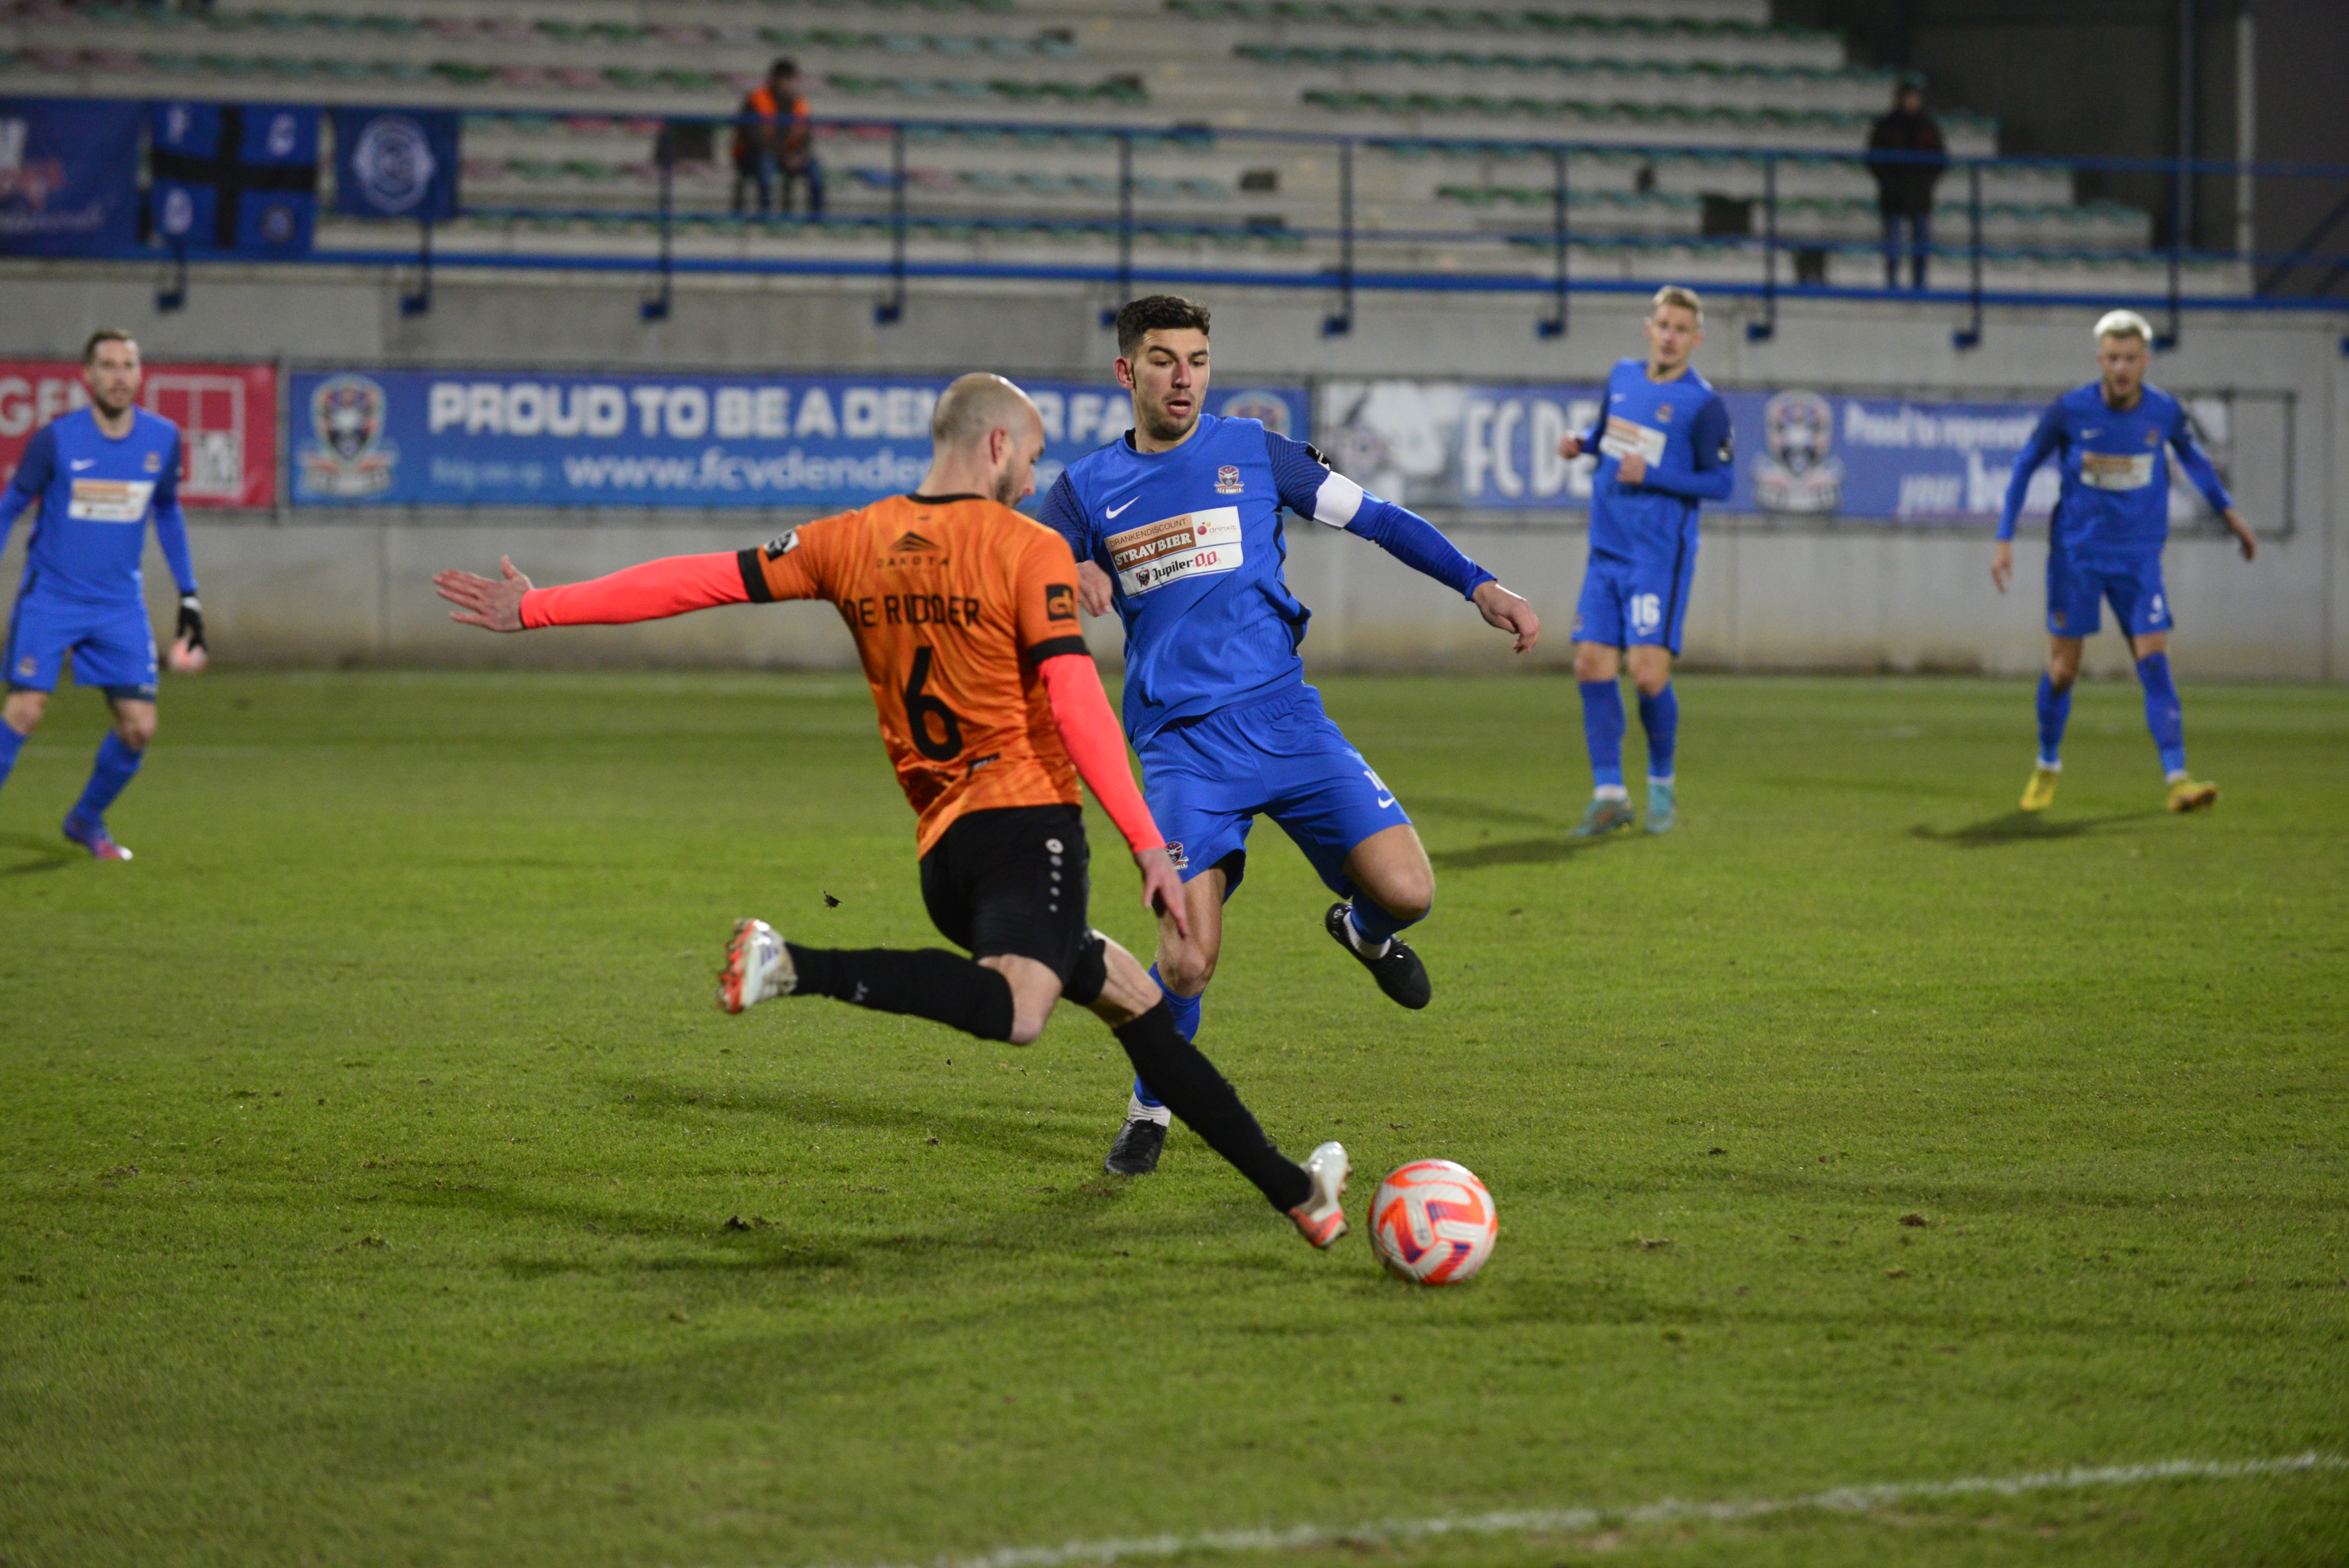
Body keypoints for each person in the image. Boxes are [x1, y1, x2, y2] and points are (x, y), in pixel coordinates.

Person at [431, 373, 1352, 1249]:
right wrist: (1148, 842)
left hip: (945, 855)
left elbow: (699, 579)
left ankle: (1297, 1194)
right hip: (1028, 824)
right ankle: (790, 963)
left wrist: (541, 606)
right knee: (1020, 1009)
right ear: (995, 445)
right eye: (1029, 459)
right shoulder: (1024, 548)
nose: (1035, 481)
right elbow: (1075, 700)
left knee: (1138, 1003)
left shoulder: (849, 539)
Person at [1042, 295, 1540, 1177]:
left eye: (1195, 358)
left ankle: (1364, 931)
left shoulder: (1254, 451)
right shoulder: (1083, 491)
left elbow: (1379, 517)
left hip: (1287, 720)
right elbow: (1007, 552)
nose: (1182, 376)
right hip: (1182, 747)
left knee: (1410, 891)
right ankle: (1153, 1102)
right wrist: (1061, 558)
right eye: (1162, 359)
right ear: (1127, 372)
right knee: (1187, 959)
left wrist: (1479, 584)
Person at [1992, 310, 2255, 814]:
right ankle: (2048, 764)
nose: (2122, 368)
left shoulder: (2163, 412)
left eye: (2131, 358)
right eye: (2113, 358)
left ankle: (2178, 779)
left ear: (2145, 361)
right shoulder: (2071, 411)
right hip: (2077, 557)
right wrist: (2005, 538)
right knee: (2064, 671)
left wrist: (2231, 514)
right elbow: (2026, 464)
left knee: (2154, 660)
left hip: (2138, 559)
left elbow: (2196, 460)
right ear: (2100, 359)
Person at [0, 329, 204, 861]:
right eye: (108, 366)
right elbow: (12, 504)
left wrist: (189, 595)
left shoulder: (161, 438)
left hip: (118, 607)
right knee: (25, 711)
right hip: (52, 599)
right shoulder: (57, 441)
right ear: (87, 376)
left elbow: (166, 510)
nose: (119, 376)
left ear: (141, 374)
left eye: (128, 366)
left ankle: (85, 820)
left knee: (139, 727)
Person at [1554, 285, 1731, 838]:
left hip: (1658, 558)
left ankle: (1661, 785)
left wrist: (1652, 475)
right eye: (1664, 326)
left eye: (1683, 329)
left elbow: (1722, 481)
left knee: (1649, 673)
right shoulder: (1623, 377)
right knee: (1590, 665)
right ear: (1649, 329)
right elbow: (1605, 433)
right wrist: (1580, 443)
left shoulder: (1703, 404)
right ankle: (1609, 796)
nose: (1671, 336)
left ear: (1695, 340)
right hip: (1607, 549)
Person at [1866, 78, 1945, 291]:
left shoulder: (1928, 126)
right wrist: (1888, 182)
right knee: (1892, 242)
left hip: (1920, 196)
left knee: (1921, 242)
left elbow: (1941, 160)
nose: (1910, 102)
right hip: (1894, 195)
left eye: (1914, 98)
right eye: (1906, 97)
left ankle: (1919, 284)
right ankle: (1892, 282)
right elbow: (1874, 158)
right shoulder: (1886, 126)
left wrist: (1925, 184)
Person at [731, 58, 824, 220]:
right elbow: (753, 136)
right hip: (755, 155)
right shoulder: (757, 100)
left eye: (792, 79)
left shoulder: (800, 103)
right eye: (786, 78)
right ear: (775, 79)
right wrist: (784, 155)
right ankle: (766, 217)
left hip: (789, 155)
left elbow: (806, 136)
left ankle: (817, 218)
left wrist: (799, 154)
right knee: (765, 166)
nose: (790, 83)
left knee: (815, 169)